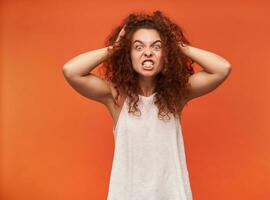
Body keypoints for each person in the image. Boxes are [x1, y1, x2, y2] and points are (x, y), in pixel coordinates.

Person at [62, 10, 231, 200]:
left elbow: (222, 69)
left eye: (157, 47)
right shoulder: (117, 97)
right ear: (128, 54)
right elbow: (71, 71)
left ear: (166, 54)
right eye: (138, 47)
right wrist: (115, 47)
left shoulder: (176, 96)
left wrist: (177, 46)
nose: (148, 52)